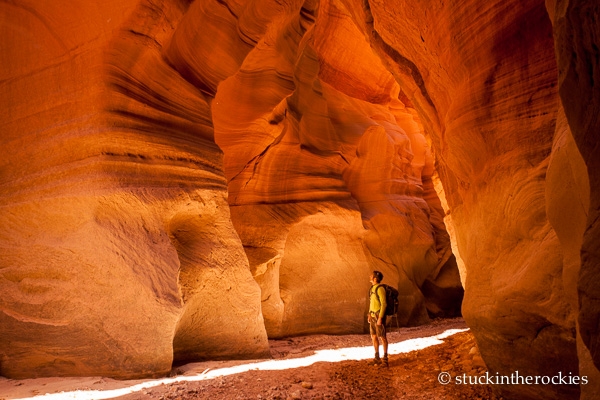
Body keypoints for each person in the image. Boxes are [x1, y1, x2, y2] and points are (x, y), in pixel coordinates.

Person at [368, 270, 388, 367]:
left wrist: (380, 317)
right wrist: (369, 314)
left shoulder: (380, 289)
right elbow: (371, 302)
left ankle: (385, 359)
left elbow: (384, 304)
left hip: (378, 316)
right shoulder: (372, 288)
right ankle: (377, 358)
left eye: (371, 276)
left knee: (383, 337)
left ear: (375, 278)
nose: (370, 277)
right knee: (374, 336)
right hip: (372, 316)